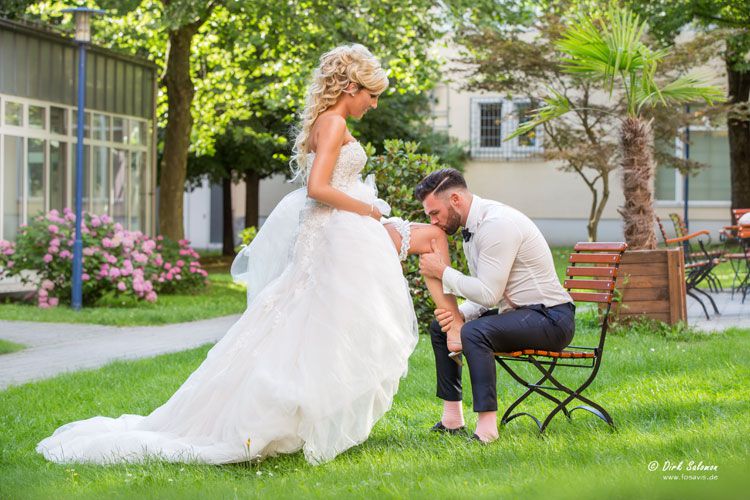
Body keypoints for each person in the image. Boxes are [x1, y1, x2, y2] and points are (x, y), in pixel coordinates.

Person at [36, 44, 462, 466]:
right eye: (372, 94)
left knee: (313, 322)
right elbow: (317, 188)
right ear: (351, 86)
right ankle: (285, 415)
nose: (373, 103)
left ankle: (304, 415)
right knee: (323, 321)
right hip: (335, 231)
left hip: (335, 232)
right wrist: (370, 208)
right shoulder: (332, 123)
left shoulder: (327, 120)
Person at [415, 169, 575, 443]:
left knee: (475, 332)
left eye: (434, 213)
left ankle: (487, 429)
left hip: (551, 319)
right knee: (440, 327)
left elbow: (489, 294)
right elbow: (486, 292)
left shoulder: (497, 224)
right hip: (520, 313)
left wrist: (442, 271)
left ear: (455, 199)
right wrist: (456, 315)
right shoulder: (472, 227)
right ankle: (452, 419)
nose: (434, 221)